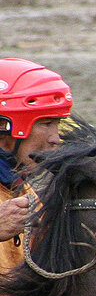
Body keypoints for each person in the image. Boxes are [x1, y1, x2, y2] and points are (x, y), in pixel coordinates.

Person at [0, 58, 72, 273]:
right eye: (46, 123)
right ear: (5, 127)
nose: (55, 139)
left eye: (57, 125)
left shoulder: (20, 190)